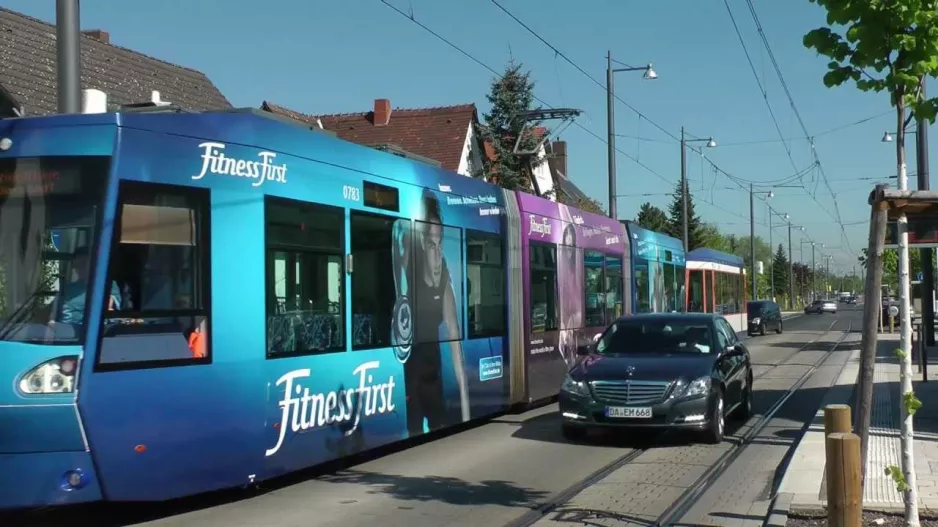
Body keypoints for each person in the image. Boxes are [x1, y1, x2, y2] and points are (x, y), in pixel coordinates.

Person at [406, 190, 470, 435]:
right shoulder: (408, 269)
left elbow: (456, 343)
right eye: (431, 245)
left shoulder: (443, 273)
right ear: (422, 243)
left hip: (433, 376)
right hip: (410, 378)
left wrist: (466, 415)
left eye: (441, 244)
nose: (437, 255)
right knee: (413, 430)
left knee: (438, 425)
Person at [53, 246, 121, 326]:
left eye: (83, 264)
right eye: (76, 265)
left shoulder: (108, 285)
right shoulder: (68, 289)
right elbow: (51, 314)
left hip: (87, 334)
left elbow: (106, 305)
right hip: (62, 334)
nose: (79, 269)